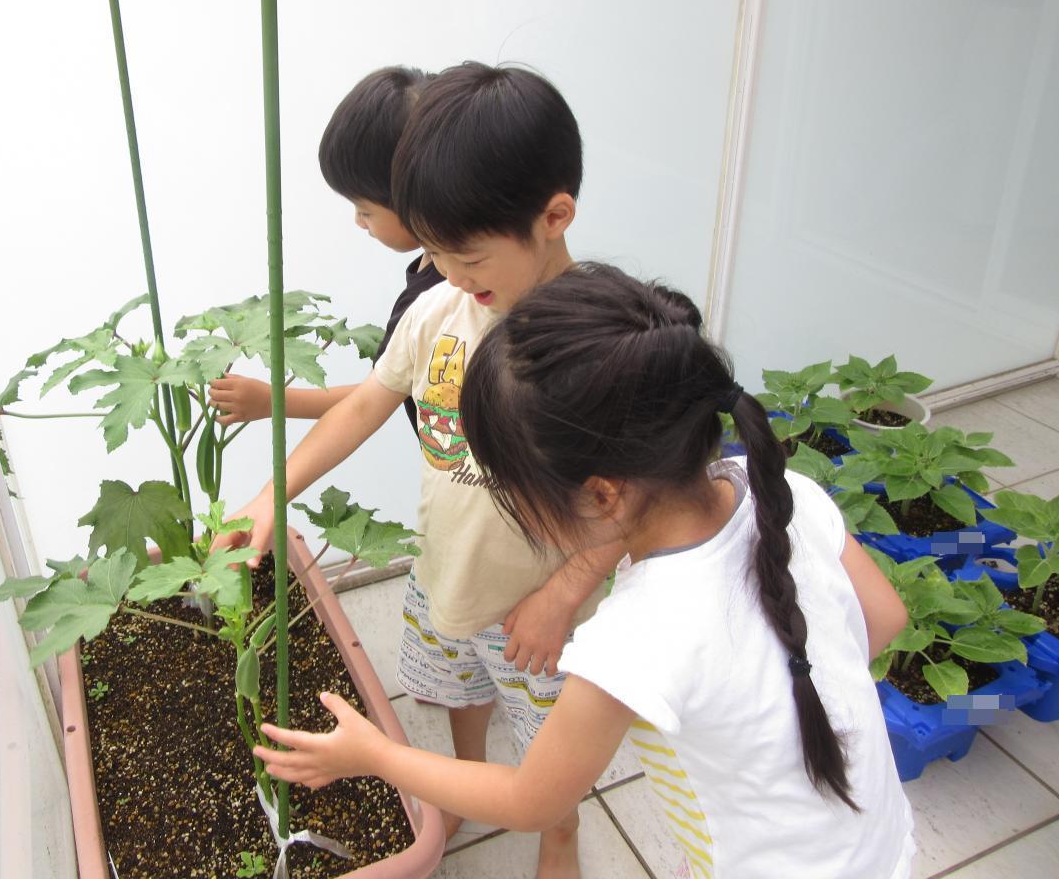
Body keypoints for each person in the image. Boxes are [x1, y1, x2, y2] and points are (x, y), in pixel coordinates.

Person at [253, 263, 916, 879]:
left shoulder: (631, 638)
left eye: (511, 490)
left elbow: (531, 800)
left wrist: (375, 756)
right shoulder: (783, 493)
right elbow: (885, 618)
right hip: (878, 848)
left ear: (602, 495)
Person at [218, 63, 617, 879]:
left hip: (540, 615)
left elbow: (636, 501)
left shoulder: (600, 344)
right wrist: (269, 494)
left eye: (465, 255)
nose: (451, 275)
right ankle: (466, 784)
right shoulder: (439, 309)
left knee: (548, 761)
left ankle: (559, 835)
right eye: (431, 250)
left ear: (554, 216)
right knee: (457, 692)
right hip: (443, 577)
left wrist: (565, 592)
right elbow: (368, 404)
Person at [208, 65, 443, 433]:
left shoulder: (439, 297)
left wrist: (273, 401)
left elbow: (373, 397)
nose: (359, 222)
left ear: (412, 195)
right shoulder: (443, 275)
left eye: (365, 210)